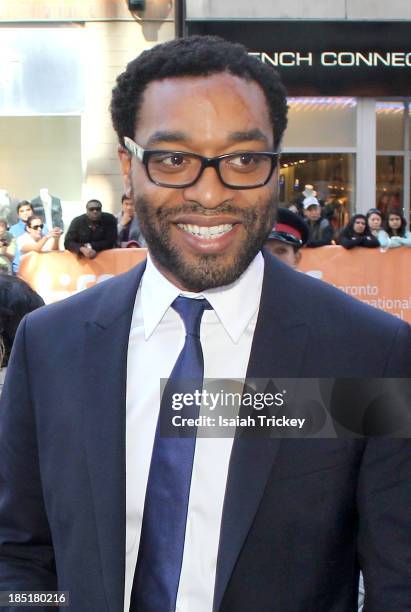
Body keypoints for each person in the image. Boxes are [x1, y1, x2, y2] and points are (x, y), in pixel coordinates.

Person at [0, 35, 410, 612]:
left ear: (275, 165)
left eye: (244, 159)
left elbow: (399, 582)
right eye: (174, 159)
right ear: (128, 165)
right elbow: (20, 554)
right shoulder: (50, 346)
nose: (211, 192)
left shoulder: (369, 353)